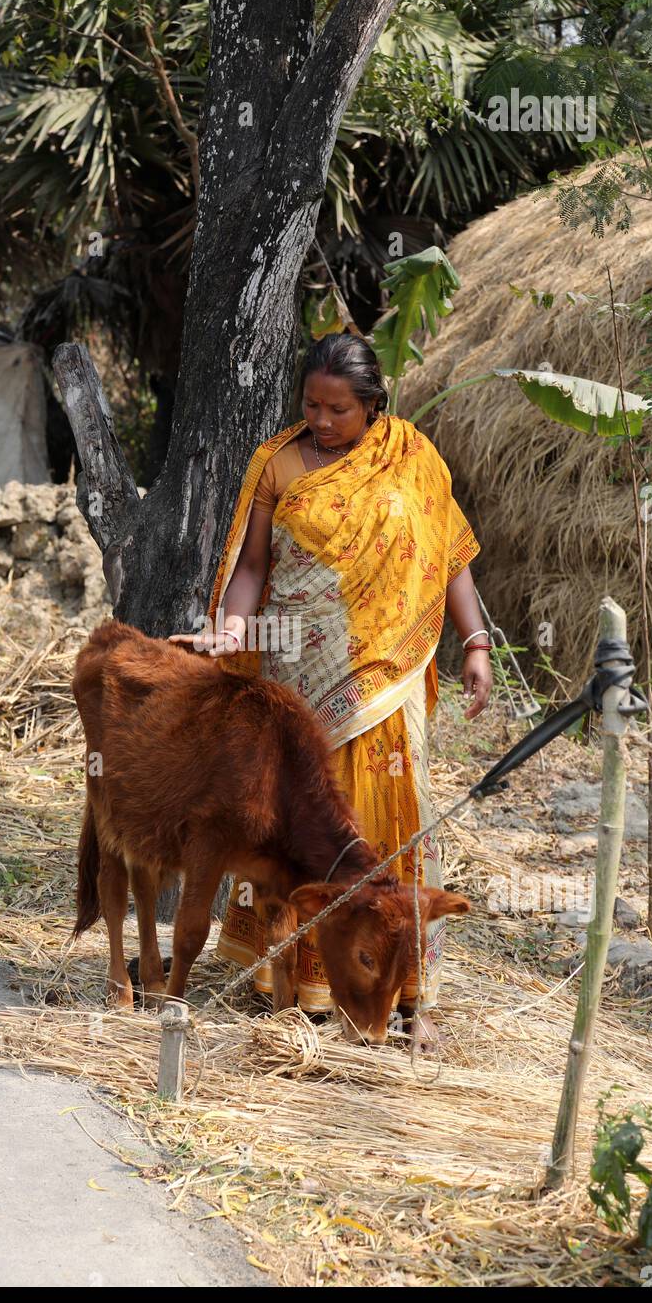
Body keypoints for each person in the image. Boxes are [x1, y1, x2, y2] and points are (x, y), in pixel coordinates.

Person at [168, 333, 491, 1053]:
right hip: (297, 678)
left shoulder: (413, 457)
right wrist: (228, 633)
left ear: (372, 407)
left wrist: (474, 644)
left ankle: (410, 1000)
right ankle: (293, 989)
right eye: (311, 404)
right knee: (302, 827)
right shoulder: (277, 462)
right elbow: (252, 566)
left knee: (394, 824)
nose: (320, 419)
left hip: (387, 677)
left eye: (337, 409)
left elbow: (450, 559)